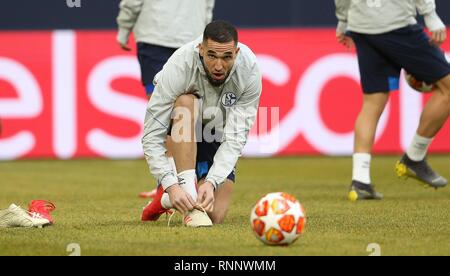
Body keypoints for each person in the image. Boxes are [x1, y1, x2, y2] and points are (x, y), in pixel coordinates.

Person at [141, 20, 262, 227]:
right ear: (201, 49)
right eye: (212, 55)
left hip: (216, 131)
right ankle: (186, 196)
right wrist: (171, 184)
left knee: (215, 216)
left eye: (227, 57)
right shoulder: (180, 65)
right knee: (186, 102)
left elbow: (235, 138)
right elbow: (152, 135)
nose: (218, 66)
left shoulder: (249, 71)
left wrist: (212, 181)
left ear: (237, 53)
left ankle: (165, 200)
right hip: (183, 125)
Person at [335, 0, 449, 200]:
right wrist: (430, 14)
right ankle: (414, 157)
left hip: (362, 24)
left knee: (373, 101)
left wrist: (344, 20)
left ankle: (360, 181)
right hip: (395, 21)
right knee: (448, 88)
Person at [116, 0, 215, 198]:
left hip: (155, 38)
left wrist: (124, 27)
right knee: (184, 111)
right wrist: (204, 34)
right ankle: (179, 181)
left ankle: (170, 184)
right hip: (193, 38)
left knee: (163, 113)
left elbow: (133, 2)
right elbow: (207, 6)